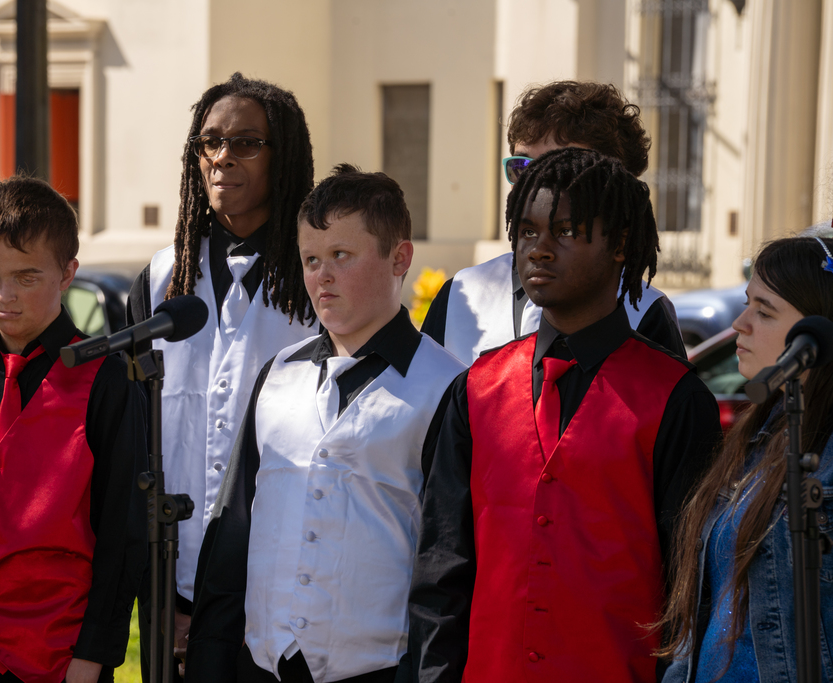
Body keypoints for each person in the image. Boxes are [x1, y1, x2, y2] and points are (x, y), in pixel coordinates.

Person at [408, 148, 723, 682]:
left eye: (567, 231)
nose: (539, 250)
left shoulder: (676, 399)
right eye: (527, 233)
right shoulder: (476, 389)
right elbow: (442, 571)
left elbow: (691, 593)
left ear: (620, 244)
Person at [185, 165, 465, 683]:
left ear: (399, 258)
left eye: (341, 256)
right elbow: (233, 535)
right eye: (311, 259)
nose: (322, 276)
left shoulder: (447, 386)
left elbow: (446, 564)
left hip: (377, 669)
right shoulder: (277, 375)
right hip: (261, 665)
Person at [0, 177, 148, 683]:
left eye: (26, 277)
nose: (3, 296)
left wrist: (93, 656)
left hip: (56, 655)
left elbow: (121, 534)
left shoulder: (107, 381)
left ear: (67, 273)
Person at [127, 73, 319, 672]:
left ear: (281, 158)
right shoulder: (163, 278)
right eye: (209, 143)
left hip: (284, 580)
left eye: (246, 143)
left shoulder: (317, 278)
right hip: (174, 574)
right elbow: (139, 440)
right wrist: (162, 596)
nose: (222, 158)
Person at [658, 236, 833, 682]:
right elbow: (709, 616)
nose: (740, 324)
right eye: (746, 304)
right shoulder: (759, 436)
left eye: (765, 311)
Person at [421, 80, 685, 363]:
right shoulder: (463, 296)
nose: (534, 187)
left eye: (558, 169)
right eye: (522, 167)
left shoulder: (645, 311)